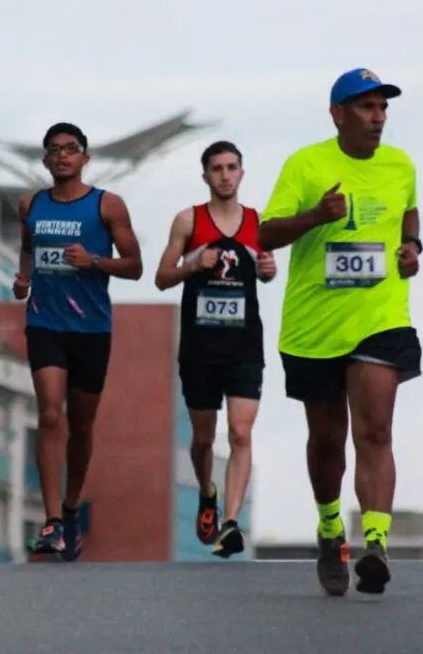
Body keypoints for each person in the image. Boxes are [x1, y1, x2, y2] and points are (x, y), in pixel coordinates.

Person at [258, 68, 423, 596]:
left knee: (375, 429)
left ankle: (375, 540)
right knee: (327, 440)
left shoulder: (400, 165)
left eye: (383, 109)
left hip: (380, 319)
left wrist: (413, 248)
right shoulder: (305, 164)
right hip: (314, 326)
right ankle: (331, 531)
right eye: (367, 108)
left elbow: (410, 215)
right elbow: (263, 232)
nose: (378, 118)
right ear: (338, 114)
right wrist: (315, 216)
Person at [13, 122, 143, 561]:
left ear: (85, 157)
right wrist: (24, 277)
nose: (63, 156)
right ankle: (50, 520)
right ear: (45, 160)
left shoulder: (107, 206)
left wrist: (94, 261)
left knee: (81, 426)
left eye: (71, 149)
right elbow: (29, 246)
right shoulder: (30, 203)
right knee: (50, 413)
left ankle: (70, 507)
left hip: (91, 329)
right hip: (45, 323)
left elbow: (135, 266)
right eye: (54, 150)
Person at [154, 141, 277, 558]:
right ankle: (208, 491)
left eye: (232, 168)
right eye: (217, 169)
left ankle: (230, 522)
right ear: (205, 175)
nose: (225, 175)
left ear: (242, 173)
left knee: (241, 432)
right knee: (203, 439)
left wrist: (268, 270)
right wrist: (192, 264)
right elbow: (161, 277)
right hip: (200, 347)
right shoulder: (189, 220)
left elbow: (266, 269)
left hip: (244, 344)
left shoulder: (258, 224)